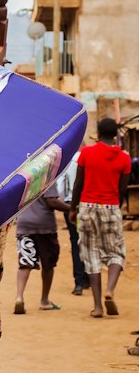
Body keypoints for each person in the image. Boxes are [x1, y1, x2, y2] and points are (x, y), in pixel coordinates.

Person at [69, 117, 132, 317]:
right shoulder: (124, 158)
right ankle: (110, 290)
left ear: (98, 132)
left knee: (91, 254)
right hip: (111, 206)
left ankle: (97, 307)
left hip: (87, 207)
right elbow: (123, 189)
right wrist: (115, 207)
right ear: (115, 135)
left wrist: (73, 208)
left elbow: (78, 183)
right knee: (116, 253)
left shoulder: (86, 153)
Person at [13, 180, 71, 314]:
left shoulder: (24, 178)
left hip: (24, 224)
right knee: (48, 264)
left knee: (25, 262)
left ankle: (19, 297)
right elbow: (52, 201)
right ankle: (44, 300)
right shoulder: (48, 176)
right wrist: (72, 208)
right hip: (44, 226)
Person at [58, 151, 88, 295]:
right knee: (90, 241)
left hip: (71, 206)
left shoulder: (69, 160)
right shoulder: (87, 158)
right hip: (88, 205)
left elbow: (61, 187)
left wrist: (67, 204)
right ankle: (90, 277)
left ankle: (79, 282)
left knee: (76, 242)